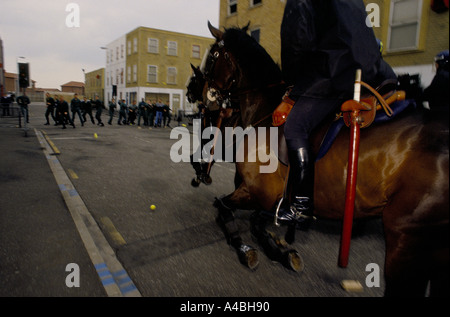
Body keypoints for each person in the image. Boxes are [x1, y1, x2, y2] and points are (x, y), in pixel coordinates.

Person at [276, 0, 397, 226]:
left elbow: (297, 43)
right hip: (370, 71)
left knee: (295, 127)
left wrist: (293, 82)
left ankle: (301, 206)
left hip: (332, 74)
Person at [422, 50, 449, 120]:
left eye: (437, 63)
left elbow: (430, 93)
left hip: (442, 115)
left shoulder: (442, 76)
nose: (436, 66)